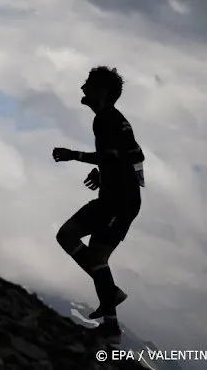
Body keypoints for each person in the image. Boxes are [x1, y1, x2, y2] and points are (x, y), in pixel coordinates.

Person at [52, 65, 145, 343]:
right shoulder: (115, 119)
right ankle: (111, 308)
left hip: (121, 202)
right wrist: (103, 172)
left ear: (101, 91)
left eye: (88, 84)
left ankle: (111, 318)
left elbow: (117, 156)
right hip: (114, 198)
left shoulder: (106, 119)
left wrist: (74, 155)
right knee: (72, 239)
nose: (82, 89)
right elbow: (134, 156)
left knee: (92, 253)